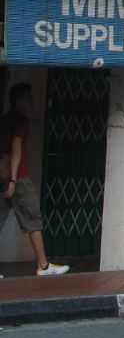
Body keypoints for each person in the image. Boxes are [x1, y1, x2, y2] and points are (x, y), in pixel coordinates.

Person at [0, 83, 69, 276]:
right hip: (17, 177)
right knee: (33, 219)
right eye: (28, 99)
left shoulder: (5, 119)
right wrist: (13, 180)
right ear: (18, 101)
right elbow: (16, 149)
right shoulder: (20, 120)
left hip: (2, 175)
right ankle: (43, 265)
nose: (32, 103)